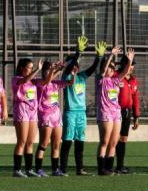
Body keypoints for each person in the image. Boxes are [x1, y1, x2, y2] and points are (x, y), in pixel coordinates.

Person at [59, 36, 102, 176]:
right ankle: (63, 169)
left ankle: (80, 168)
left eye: (77, 65)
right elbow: (69, 68)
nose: (76, 67)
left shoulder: (82, 76)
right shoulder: (65, 77)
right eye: (73, 65)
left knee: (80, 141)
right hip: (70, 113)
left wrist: (98, 57)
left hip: (81, 113)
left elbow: (92, 69)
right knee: (67, 140)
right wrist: (78, 53)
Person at [96, 45, 135, 176]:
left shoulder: (115, 81)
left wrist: (129, 60)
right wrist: (111, 55)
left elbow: (124, 72)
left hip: (116, 113)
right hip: (105, 113)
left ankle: (109, 168)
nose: (111, 69)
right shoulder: (102, 80)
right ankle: (101, 169)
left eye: (113, 68)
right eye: (110, 67)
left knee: (113, 142)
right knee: (104, 141)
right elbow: (103, 70)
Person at [34, 60, 72, 177]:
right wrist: (54, 69)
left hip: (56, 116)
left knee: (56, 144)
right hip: (45, 116)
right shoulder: (40, 82)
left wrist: (71, 71)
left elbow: (70, 82)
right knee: (44, 143)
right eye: (48, 69)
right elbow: (47, 80)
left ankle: (55, 169)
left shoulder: (55, 83)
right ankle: (38, 169)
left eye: (50, 69)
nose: (49, 71)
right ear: (44, 71)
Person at [12, 57, 42, 178]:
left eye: (31, 68)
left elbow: (46, 81)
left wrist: (55, 70)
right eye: (28, 68)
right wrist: (37, 70)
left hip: (32, 113)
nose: (30, 70)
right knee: (22, 141)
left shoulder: (33, 81)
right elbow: (24, 81)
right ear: (21, 68)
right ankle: (17, 169)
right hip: (21, 111)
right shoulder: (16, 79)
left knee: (30, 142)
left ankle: (29, 169)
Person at [115, 58, 141, 174]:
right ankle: (107, 164)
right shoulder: (117, 76)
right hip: (116, 112)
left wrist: (136, 117)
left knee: (123, 139)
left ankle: (120, 166)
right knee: (113, 139)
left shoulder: (134, 80)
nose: (132, 67)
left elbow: (135, 99)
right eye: (130, 64)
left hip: (127, 112)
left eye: (133, 65)